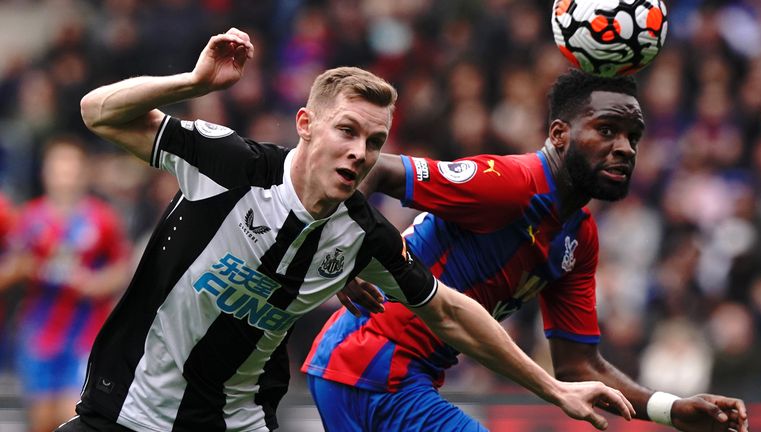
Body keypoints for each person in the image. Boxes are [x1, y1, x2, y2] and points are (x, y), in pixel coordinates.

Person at [60, 28, 635, 432]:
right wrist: (194, 82)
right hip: (125, 411)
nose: (361, 153)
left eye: (376, 142)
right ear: (306, 125)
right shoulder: (229, 164)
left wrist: (554, 390)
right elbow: (97, 111)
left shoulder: (360, 236)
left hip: (237, 421)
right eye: (347, 131)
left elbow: (451, 312)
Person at [302, 69, 750, 432]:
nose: (624, 149)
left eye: (634, 136)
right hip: (371, 359)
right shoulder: (509, 184)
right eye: (607, 130)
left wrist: (671, 410)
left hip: (389, 372)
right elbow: (375, 169)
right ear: (559, 134)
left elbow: (576, 365)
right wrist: (346, 254)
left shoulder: (579, 239)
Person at [0, 136, 131, 432]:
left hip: (84, 335)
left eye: (71, 166)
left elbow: (120, 270)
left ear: (84, 172)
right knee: (42, 421)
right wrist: (23, 268)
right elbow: (11, 268)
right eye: (58, 166)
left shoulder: (102, 218)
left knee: (70, 418)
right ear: (45, 172)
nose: (64, 174)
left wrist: (94, 283)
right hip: (39, 334)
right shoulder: (29, 218)